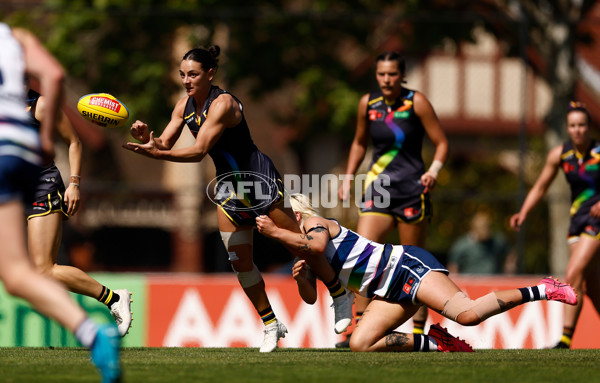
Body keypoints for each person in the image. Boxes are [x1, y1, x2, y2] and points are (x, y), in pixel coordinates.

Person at [123, 45, 353, 352]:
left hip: (259, 183)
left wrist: (158, 153)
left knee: (300, 247)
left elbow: (198, 151)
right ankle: (272, 324)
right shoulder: (183, 106)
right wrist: (148, 140)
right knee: (240, 261)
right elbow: (165, 141)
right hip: (229, 191)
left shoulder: (223, 105)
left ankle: (339, 294)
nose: (186, 80)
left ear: (210, 73)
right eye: (182, 75)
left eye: (193, 74)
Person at [256, 193, 577, 352]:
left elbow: (318, 243)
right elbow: (311, 299)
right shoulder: (303, 247)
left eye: (284, 216)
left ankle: (544, 289)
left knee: (466, 314)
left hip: (405, 267)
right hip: (387, 291)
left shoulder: (313, 224)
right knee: (360, 344)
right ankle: (436, 342)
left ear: (296, 213)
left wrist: (273, 232)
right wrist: (301, 279)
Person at [0, 23, 120, 381]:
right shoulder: (16, 36)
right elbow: (53, 72)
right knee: (21, 276)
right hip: (19, 157)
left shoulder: (35, 104)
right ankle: (91, 331)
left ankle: (110, 303)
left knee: (36, 269)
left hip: (28, 171)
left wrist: (74, 182)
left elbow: (74, 140)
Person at [337, 51, 449, 347]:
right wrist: (348, 176)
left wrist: (434, 172)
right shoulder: (368, 104)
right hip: (380, 189)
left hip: (413, 191)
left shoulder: (417, 102)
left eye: (392, 74)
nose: (387, 80)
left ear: (402, 76)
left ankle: (419, 331)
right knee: (359, 257)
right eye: (382, 74)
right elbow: (359, 142)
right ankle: (359, 328)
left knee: (417, 264)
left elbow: (442, 143)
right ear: (377, 76)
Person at [25, 88, 132, 337]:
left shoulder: (40, 105)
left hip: (42, 187)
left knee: (44, 269)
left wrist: (74, 184)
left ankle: (114, 298)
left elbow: (73, 141)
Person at [510, 101, 600, 349]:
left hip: (597, 223)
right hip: (576, 223)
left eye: (582, 125)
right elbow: (540, 187)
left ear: (589, 127)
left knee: (572, 275)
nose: (578, 130)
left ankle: (564, 339)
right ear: (567, 128)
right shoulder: (561, 154)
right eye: (573, 125)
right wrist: (524, 212)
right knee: (590, 287)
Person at [448, 211, 516, 274]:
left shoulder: (497, 241)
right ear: (473, 228)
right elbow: (453, 268)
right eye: (483, 227)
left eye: (488, 227)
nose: (486, 230)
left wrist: (509, 271)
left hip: (494, 283)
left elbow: (510, 255)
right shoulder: (462, 245)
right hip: (470, 284)